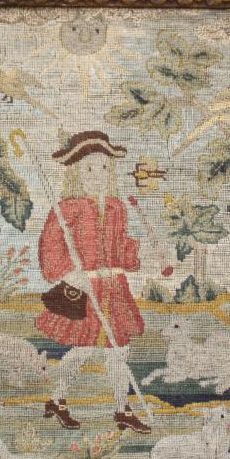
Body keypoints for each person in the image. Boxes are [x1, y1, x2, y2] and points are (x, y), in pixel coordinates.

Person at [36, 131, 150, 433]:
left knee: (120, 351)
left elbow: (121, 248)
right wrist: (69, 274)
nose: (97, 174)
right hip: (84, 289)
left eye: (103, 167)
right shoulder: (67, 208)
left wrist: (138, 254)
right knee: (83, 350)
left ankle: (122, 409)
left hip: (113, 288)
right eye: (88, 168)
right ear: (75, 172)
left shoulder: (116, 207)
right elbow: (50, 246)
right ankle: (57, 399)